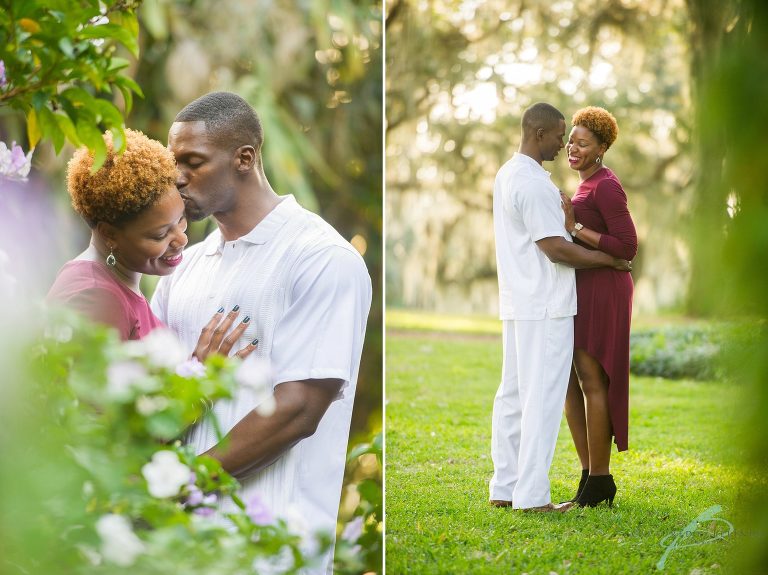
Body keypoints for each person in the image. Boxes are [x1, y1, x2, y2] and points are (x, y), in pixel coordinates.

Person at [150, 92, 372, 572]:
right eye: (173, 163)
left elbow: (297, 410)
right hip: (178, 549)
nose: (177, 178)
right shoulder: (183, 268)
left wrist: (181, 487)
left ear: (244, 158)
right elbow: (149, 397)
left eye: (193, 162)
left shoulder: (321, 258)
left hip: (272, 550)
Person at [489, 102, 631, 513]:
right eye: (559, 135)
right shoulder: (533, 183)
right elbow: (554, 249)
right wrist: (609, 259)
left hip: (519, 302)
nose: (562, 143)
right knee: (543, 399)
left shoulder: (508, 173)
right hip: (546, 304)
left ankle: (504, 487)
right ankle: (531, 498)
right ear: (538, 134)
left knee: (513, 395)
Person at [48, 128, 255, 360]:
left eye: (180, 220)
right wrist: (201, 380)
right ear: (110, 234)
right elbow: (96, 394)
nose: (181, 240)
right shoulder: (97, 298)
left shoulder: (115, 282)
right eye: (160, 235)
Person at [560, 106, 637, 507]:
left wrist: (574, 227)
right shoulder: (586, 183)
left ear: (602, 148)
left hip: (605, 289)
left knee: (593, 379)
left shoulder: (606, 185)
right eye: (571, 140)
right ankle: (590, 475)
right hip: (584, 284)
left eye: (583, 143)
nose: (573, 148)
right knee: (573, 381)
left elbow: (628, 247)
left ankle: (600, 480)